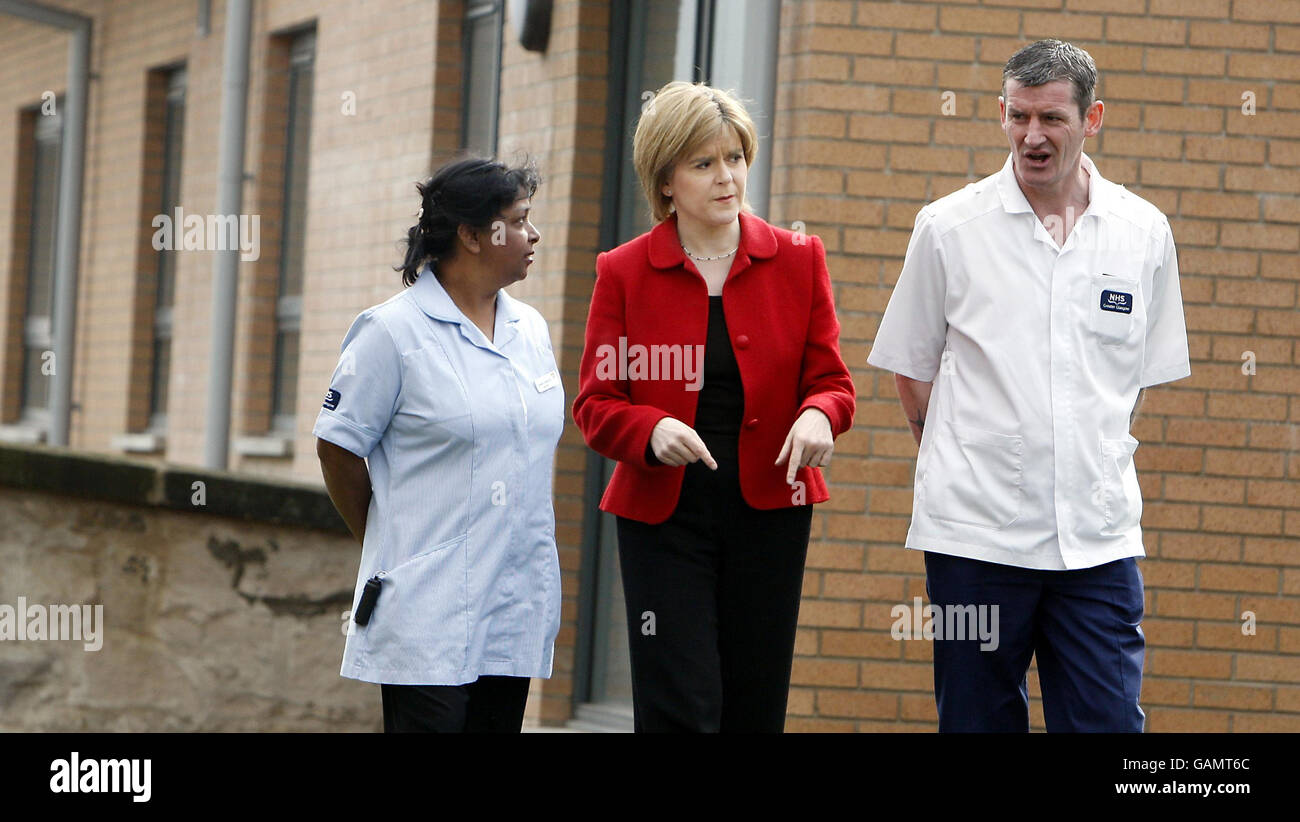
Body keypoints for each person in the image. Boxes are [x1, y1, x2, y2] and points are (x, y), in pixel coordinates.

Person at [867, 40, 1191, 732]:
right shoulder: (950, 229)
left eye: (1051, 119)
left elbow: (1133, 382)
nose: (1033, 136)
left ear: (1093, 116)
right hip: (975, 543)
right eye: (1018, 118)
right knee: (976, 722)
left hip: (1097, 543)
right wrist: (966, 462)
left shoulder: (1142, 234)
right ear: (1002, 115)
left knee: (1106, 723)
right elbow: (912, 370)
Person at [573, 81, 856, 732]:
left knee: (752, 705)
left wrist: (819, 414)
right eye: (704, 163)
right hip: (664, 518)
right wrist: (652, 427)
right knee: (682, 707)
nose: (726, 177)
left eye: (734, 157)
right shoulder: (623, 271)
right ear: (666, 180)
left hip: (770, 513)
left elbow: (833, 382)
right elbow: (596, 402)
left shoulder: (797, 259)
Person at [313, 157, 564, 733]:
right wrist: (386, 537)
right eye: (520, 221)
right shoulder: (391, 333)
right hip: (426, 607)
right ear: (472, 235)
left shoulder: (530, 330)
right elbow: (337, 449)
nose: (534, 234)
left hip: (513, 600)